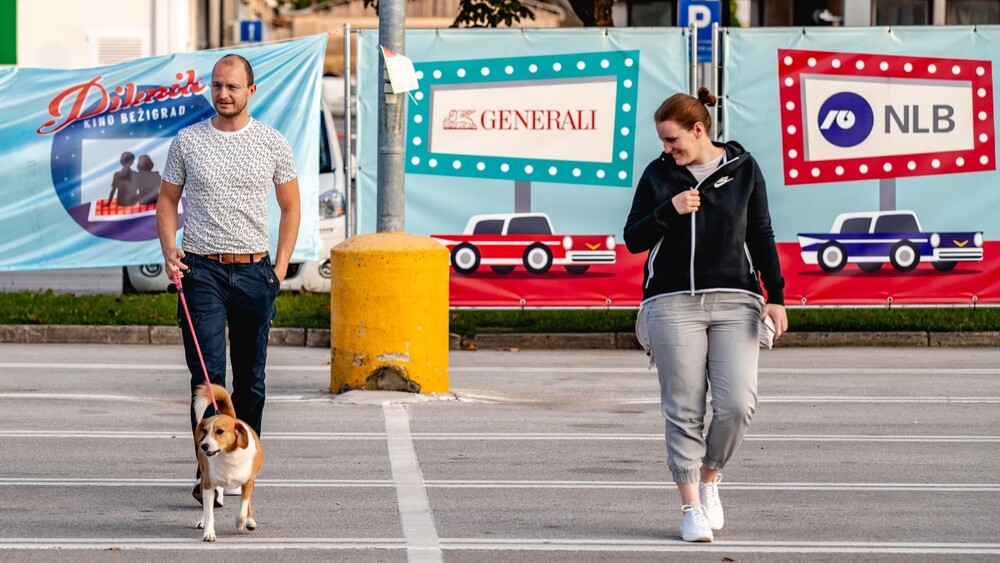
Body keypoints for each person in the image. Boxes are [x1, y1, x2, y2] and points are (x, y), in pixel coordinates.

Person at [623, 87, 787, 542]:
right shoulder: (659, 175)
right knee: (683, 408)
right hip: (671, 301)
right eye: (662, 142)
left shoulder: (743, 169)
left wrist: (776, 294)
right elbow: (633, 238)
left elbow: (761, 232)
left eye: (673, 140)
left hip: (736, 298)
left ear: (699, 130)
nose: (667, 150)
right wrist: (668, 210)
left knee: (737, 404)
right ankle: (691, 506)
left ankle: (711, 477)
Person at [156, 53, 301, 506]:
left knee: (251, 381)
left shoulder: (273, 143)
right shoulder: (187, 142)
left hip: (255, 271)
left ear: (250, 91)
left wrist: (278, 268)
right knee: (206, 378)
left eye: (232, 87)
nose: (223, 93)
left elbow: (291, 207)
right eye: (217, 85)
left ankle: (241, 465)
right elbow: (166, 201)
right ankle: (208, 477)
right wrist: (169, 251)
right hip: (202, 270)